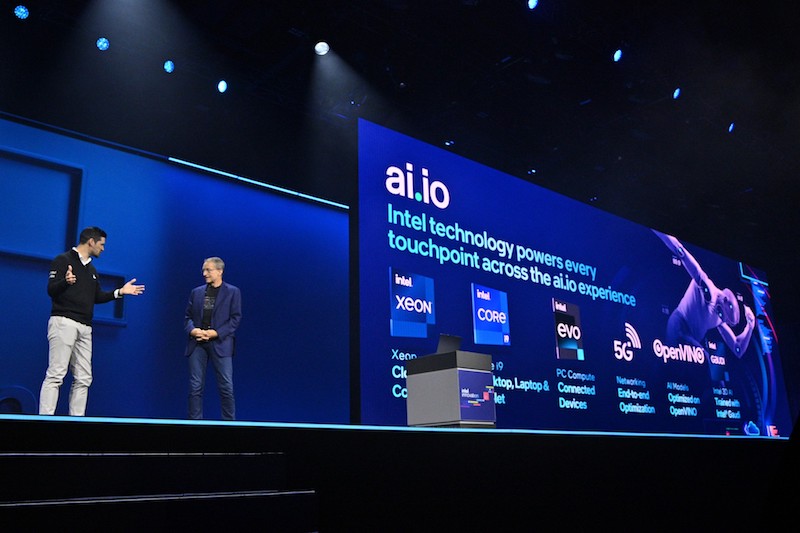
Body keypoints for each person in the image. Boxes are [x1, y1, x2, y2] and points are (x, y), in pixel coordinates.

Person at [39, 226, 145, 416]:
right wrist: (65, 282)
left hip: (85, 327)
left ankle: (77, 420)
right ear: (91, 242)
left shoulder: (92, 270)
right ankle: (45, 420)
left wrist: (120, 292)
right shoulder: (63, 260)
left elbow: (97, 296)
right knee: (56, 374)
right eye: (101, 244)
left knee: (84, 378)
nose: (103, 249)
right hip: (64, 321)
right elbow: (51, 290)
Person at [654, 230, 755, 358]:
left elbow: (737, 349)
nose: (720, 317)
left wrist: (750, 327)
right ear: (722, 300)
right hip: (678, 326)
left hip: (691, 339)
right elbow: (680, 251)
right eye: (721, 314)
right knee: (704, 360)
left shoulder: (720, 319)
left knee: (704, 361)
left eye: (723, 318)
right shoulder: (708, 288)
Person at [184, 257, 242, 420]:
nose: (204, 273)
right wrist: (193, 330)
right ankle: (195, 424)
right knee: (195, 387)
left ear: (219, 271)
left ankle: (228, 424)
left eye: (208, 270)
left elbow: (235, 319)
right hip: (197, 343)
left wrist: (216, 333)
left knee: (226, 387)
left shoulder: (233, 292)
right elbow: (188, 317)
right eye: (203, 270)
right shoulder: (196, 292)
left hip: (220, 343)